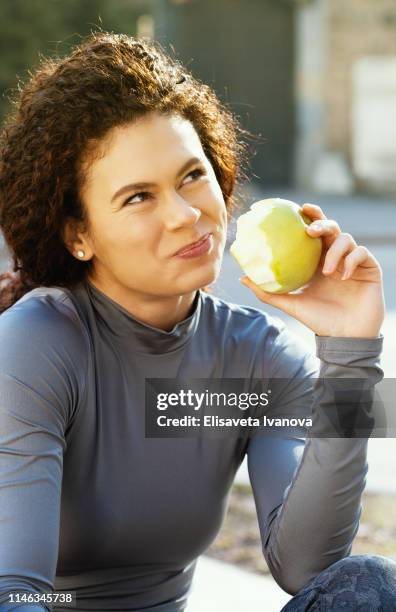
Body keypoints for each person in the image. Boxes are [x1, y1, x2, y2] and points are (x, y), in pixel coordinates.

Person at [0, 31, 395, 612]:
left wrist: (353, 354)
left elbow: (309, 568)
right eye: (138, 197)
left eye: (191, 175)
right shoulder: (37, 343)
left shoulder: (260, 356)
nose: (188, 215)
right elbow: (17, 591)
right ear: (79, 235)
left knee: (369, 587)